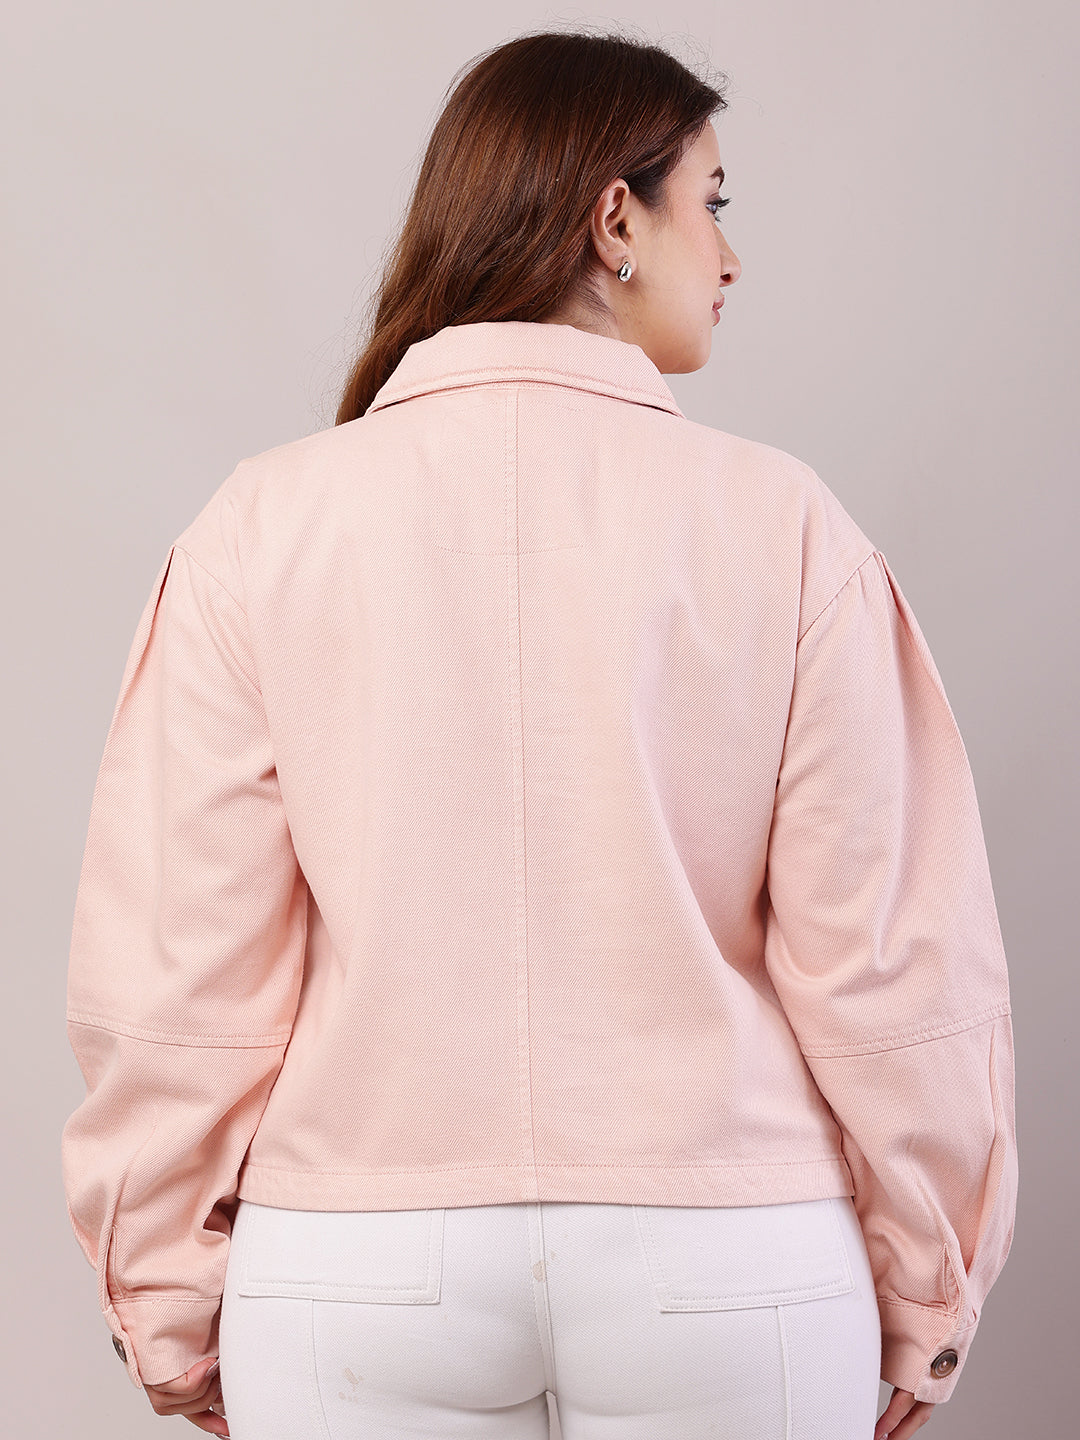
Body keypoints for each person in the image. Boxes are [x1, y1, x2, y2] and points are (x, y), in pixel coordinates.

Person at [61, 25, 1017, 1440]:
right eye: (713, 202)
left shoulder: (260, 527)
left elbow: (179, 973)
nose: (732, 257)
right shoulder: (786, 528)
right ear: (615, 220)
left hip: (356, 1264)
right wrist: (930, 1291)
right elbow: (891, 961)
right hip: (731, 1262)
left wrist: (163, 1298)